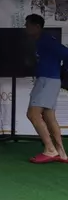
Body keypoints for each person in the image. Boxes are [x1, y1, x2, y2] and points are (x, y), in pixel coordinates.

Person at [24, 14, 68, 164]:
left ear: (37, 27)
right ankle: (61, 153)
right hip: (49, 80)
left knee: (33, 114)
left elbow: (66, 54)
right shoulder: (40, 41)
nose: (26, 28)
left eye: (28, 25)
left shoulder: (47, 41)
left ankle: (50, 149)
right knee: (49, 117)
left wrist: (63, 72)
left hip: (47, 81)